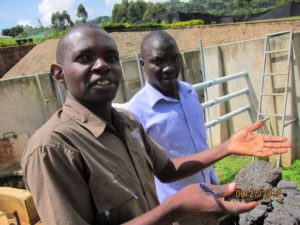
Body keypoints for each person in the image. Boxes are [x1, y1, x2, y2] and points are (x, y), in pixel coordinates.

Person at [21, 24, 290, 225]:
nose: (102, 65)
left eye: (111, 58)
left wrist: (228, 146)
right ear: (58, 74)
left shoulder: (127, 123)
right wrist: (174, 208)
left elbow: (167, 169)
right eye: (84, 58)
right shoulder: (52, 148)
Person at [121, 30, 217, 225]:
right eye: (158, 61)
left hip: (211, 193)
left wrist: (212, 178)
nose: (169, 68)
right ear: (142, 65)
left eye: (174, 59)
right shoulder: (135, 112)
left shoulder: (189, 92)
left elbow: (200, 144)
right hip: (178, 212)